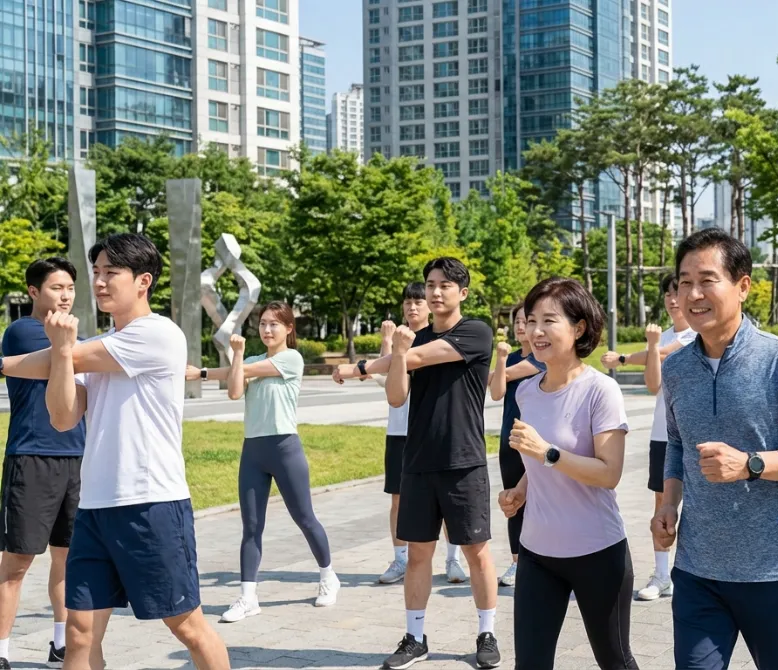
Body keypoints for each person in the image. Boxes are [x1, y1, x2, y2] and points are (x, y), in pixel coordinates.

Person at [0, 233, 230, 670]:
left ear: (143, 281)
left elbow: (68, 357)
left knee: (188, 627)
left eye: (112, 273)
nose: (100, 282)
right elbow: (64, 416)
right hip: (95, 506)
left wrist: (41, 357)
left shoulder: (157, 334)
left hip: (150, 504)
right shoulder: (96, 347)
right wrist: (64, 355)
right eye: (97, 272)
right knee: (79, 632)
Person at [651, 229, 778, 670]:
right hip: (697, 570)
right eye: (683, 282)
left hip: (774, 571)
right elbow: (677, 442)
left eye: (707, 279)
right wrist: (669, 504)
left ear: (743, 285)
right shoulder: (675, 367)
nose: (692, 294)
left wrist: (751, 464)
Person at [335, 257, 501, 669]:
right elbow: (396, 396)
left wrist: (361, 367)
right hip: (419, 462)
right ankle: (414, 637)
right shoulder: (414, 341)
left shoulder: (475, 332)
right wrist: (397, 356)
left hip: (463, 461)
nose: (435, 291)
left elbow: (421, 359)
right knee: (418, 554)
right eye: (430, 284)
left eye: (445, 285)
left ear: (462, 292)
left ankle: (487, 632)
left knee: (476, 552)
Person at [497, 277, 637, 669]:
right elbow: (538, 461)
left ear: (578, 328)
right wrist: (521, 489)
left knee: (615, 660)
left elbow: (609, 473)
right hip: (537, 552)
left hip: (596, 550)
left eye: (549, 321)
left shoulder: (600, 391)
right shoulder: (526, 391)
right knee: (530, 663)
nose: (535, 331)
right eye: (530, 320)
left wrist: (547, 453)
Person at [184, 302, 337, 623]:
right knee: (251, 527)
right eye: (263, 324)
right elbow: (234, 391)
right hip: (253, 451)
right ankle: (248, 597)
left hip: (285, 448)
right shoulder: (250, 359)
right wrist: (224, 362)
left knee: (305, 518)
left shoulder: (292, 359)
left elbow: (241, 373)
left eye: (274, 325)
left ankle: (328, 577)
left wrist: (210, 369)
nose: (267, 330)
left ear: (288, 329)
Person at [0, 258, 92, 669]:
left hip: (76, 457)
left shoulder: (70, 335)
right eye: (57, 287)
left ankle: (60, 643)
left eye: (70, 287)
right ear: (35, 292)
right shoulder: (23, 332)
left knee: (68, 557)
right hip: (32, 457)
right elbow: (62, 359)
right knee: (17, 562)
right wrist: (70, 346)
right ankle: (1, 648)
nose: (66, 294)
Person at [601, 274, 696, 601]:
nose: (673, 299)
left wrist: (634, 355)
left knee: (700, 502)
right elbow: (653, 379)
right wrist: (633, 355)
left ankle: (695, 572)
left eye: (677, 291)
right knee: (662, 503)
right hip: (663, 434)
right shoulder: (665, 337)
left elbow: (662, 353)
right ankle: (662, 574)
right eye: (669, 293)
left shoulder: (697, 335)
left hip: (695, 432)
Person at [372, 284, 466, 586]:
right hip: (399, 431)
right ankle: (400, 558)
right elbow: (383, 379)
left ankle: (453, 559)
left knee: (447, 500)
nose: (413, 308)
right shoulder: (400, 338)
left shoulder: (437, 340)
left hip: (432, 430)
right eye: (408, 303)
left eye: (418, 302)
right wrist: (388, 341)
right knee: (398, 499)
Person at [488, 305, 545, 588]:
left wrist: (500, 369)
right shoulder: (508, 358)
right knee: (513, 500)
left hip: (538, 440)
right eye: (519, 322)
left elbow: (504, 377)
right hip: (510, 440)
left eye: (527, 320)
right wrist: (500, 360)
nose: (522, 326)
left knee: (542, 499)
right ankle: (517, 562)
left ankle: (545, 560)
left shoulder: (542, 357)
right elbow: (496, 392)